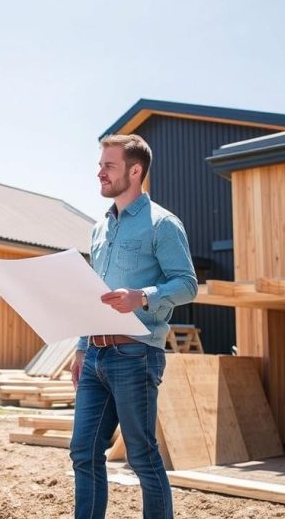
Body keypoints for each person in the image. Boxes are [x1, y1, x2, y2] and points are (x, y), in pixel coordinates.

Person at [69, 134, 197, 519]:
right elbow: (96, 291)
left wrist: (141, 296)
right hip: (95, 355)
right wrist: (80, 346)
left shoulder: (163, 225)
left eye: (108, 165)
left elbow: (188, 284)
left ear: (134, 170)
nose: (100, 173)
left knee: (141, 455)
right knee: (84, 451)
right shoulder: (99, 229)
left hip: (136, 354)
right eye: (100, 165)